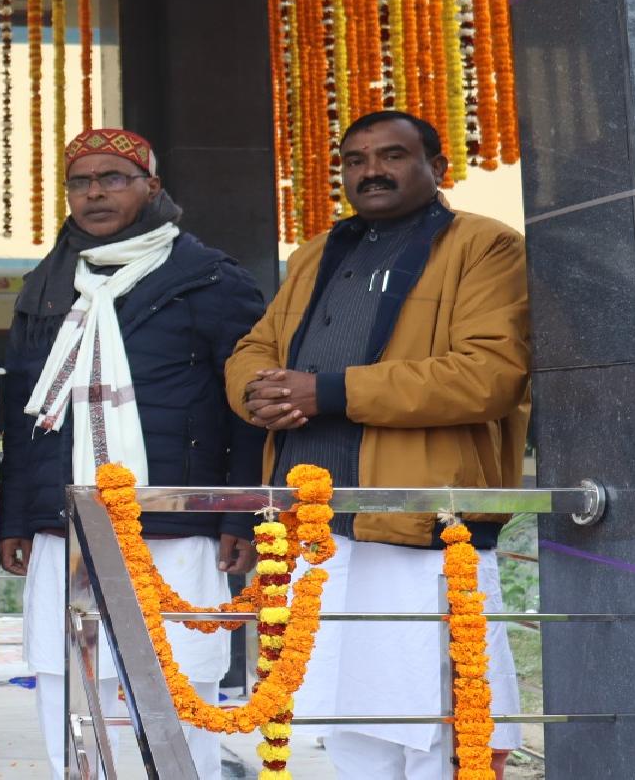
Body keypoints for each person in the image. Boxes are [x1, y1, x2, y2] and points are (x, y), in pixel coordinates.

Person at [226, 110, 530, 779]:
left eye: (392, 156)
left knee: (436, 725)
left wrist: (327, 392)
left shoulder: (485, 246)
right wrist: (257, 391)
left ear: (437, 167)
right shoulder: (316, 254)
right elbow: (255, 348)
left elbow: (489, 376)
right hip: (317, 529)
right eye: (355, 160)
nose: (371, 171)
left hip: (421, 528)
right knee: (343, 719)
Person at [0, 128, 266, 780]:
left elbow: (248, 406)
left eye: (113, 178)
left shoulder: (210, 278)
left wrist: (240, 513)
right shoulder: (48, 282)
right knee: (66, 678)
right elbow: (24, 411)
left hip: (175, 518)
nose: (94, 193)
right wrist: (15, 516)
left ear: (151, 187)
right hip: (65, 521)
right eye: (80, 182)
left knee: (179, 684)